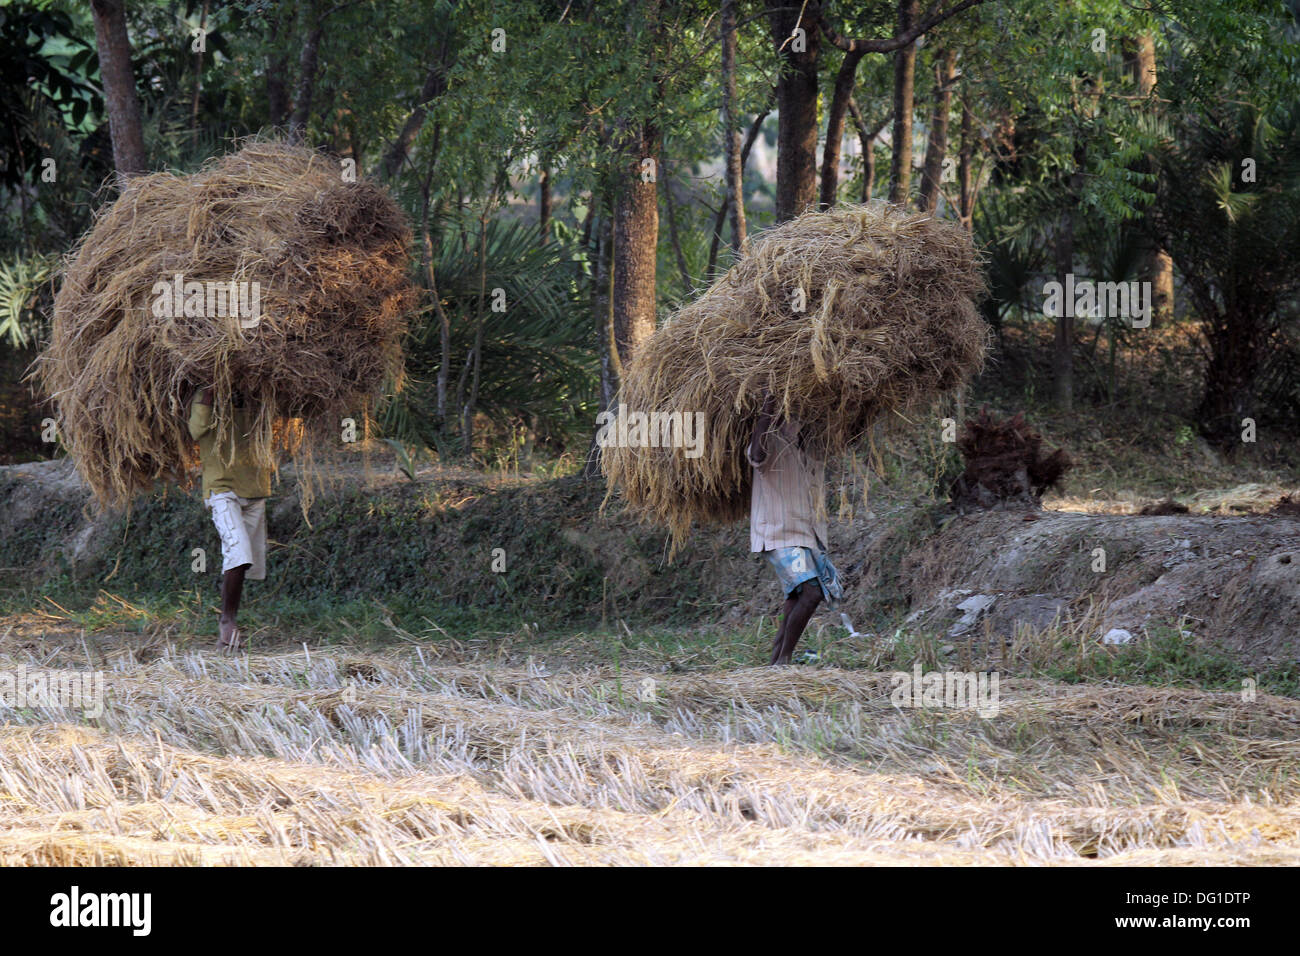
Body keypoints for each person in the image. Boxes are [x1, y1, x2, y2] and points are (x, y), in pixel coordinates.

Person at [747, 393, 843, 665]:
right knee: (812, 592)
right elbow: (756, 455)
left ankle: (776, 659)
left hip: (807, 534)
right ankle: (783, 661)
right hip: (778, 533)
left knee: (797, 596)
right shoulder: (770, 440)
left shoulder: (813, 448)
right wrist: (766, 411)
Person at [188, 386, 272, 653]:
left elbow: (283, 424)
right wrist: (209, 395)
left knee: (246, 560)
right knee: (239, 551)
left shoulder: (261, 397)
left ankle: (230, 625)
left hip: (256, 488)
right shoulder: (206, 396)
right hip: (222, 490)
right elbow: (195, 431)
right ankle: (227, 621)